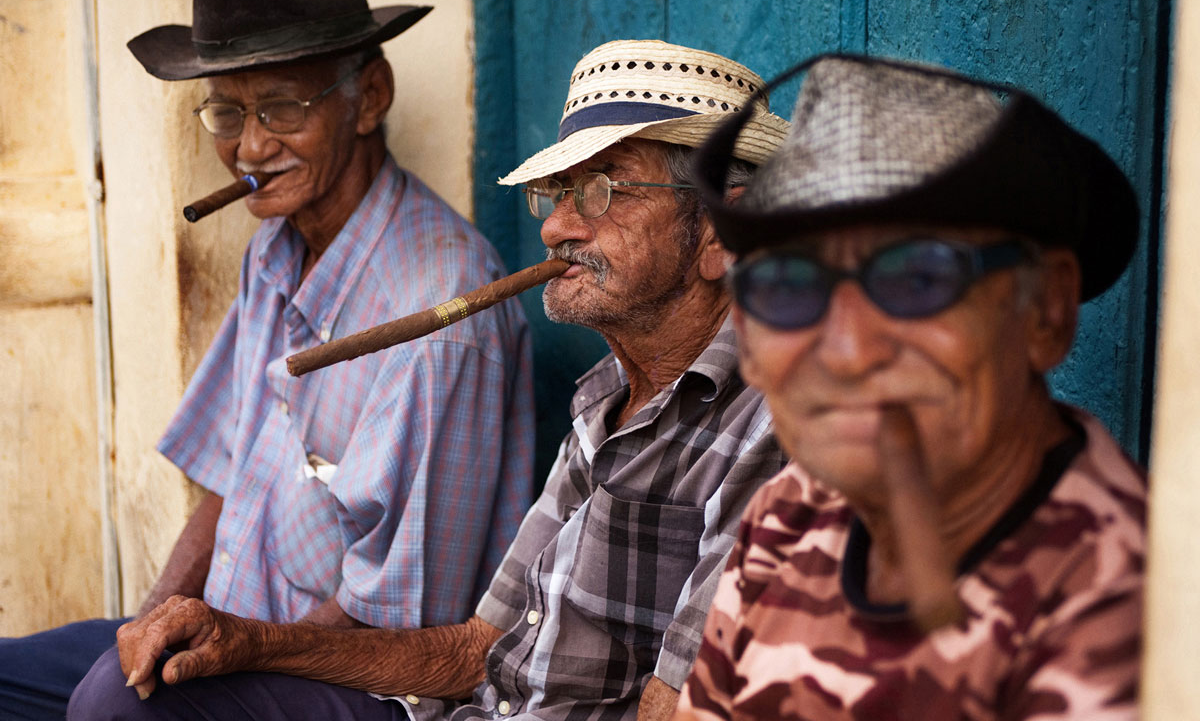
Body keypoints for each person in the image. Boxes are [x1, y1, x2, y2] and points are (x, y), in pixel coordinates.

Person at [68, 40, 791, 721]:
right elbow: (478, 649)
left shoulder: (774, 421)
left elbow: (678, 709)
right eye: (558, 191)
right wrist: (247, 641)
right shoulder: (606, 396)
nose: (556, 227)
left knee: (117, 702)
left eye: (602, 190)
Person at [0, 0, 536, 720]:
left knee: (109, 709)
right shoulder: (276, 253)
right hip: (241, 636)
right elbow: (231, 474)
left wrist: (230, 650)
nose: (249, 148)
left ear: (371, 96)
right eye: (227, 111)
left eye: (282, 107)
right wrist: (150, 627)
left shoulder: (440, 314)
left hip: (370, 683)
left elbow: (403, 621)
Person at [675, 54, 1147, 720]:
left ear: (1046, 311)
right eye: (789, 286)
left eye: (920, 279)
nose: (848, 351)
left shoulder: (1129, 605)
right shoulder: (793, 513)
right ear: (746, 338)